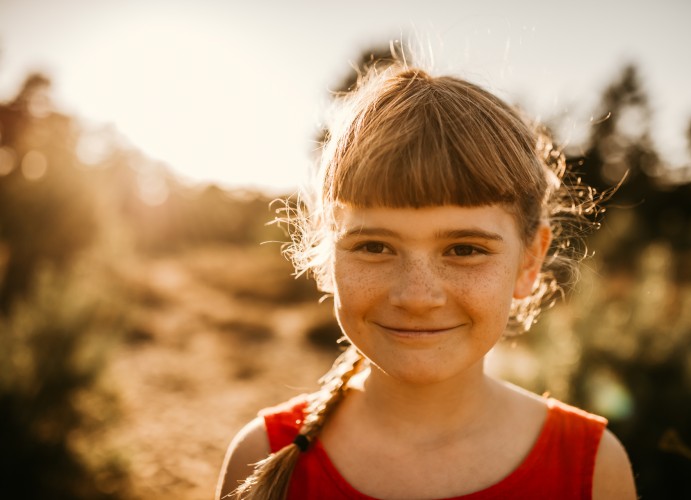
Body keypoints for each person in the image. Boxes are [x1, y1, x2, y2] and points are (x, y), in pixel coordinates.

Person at [216, 62, 637, 500]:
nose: (417, 297)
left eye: (464, 249)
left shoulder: (591, 469)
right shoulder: (263, 456)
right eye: (375, 247)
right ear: (326, 256)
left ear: (530, 261)